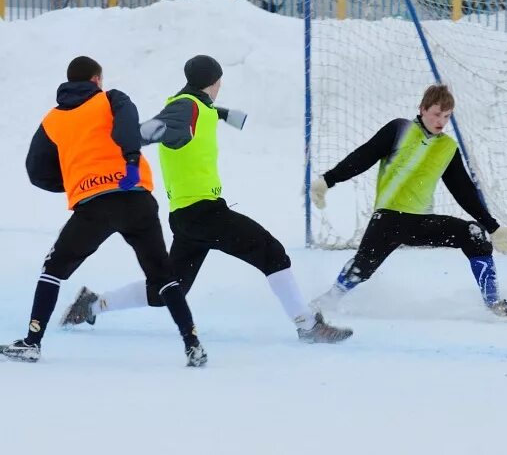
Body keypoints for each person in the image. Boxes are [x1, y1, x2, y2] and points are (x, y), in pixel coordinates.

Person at [61, 55, 353, 344]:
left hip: (187, 216)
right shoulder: (184, 108)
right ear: (216, 81)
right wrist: (133, 139)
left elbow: (202, 110)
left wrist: (224, 114)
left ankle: (92, 304)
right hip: (204, 213)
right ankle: (306, 325)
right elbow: (151, 129)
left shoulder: (196, 105)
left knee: (168, 289)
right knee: (272, 253)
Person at [0, 56, 207, 366]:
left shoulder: (52, 120)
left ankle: (32, 341)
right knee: (162, 273)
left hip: (95, 206)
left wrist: (76, 181)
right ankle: (192, 343)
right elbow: (127, 126)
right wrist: (132, 159)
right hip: (136, 198)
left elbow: (36, 170)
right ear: (96, 80)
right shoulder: (110, 99)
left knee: (54, 269)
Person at [309, 84, 507, 318]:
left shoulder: (447, 147)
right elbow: (364, 156)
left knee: (474, 235)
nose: (441, 121)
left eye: (447, 116)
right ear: (422, 109)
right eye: (436, 114)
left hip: (420, 223)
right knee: (363, 267)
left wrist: (492, 227)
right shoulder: (399, 129)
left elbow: (463, 190)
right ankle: (325, 302)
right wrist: (328, 180)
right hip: (388, 219)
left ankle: (494, 303)